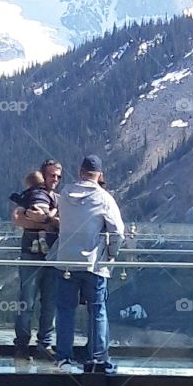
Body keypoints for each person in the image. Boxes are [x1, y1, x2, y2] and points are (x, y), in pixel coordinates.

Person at [54, 154, 125, 373]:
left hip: (65, 261)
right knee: (97, 310)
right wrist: (111, 253)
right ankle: (97, 358)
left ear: (80, 171)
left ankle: (63, 358)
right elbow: (118, 231)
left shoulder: (65, 194)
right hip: (93, 263)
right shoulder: (104, 198)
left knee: (65, 310)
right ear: (99, 175)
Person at [10, 159, 61, 361]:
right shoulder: (35, 198)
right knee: (26, 302)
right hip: (31, 256)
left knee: (50, 302)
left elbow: (64, 223)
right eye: (51, 175)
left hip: (52, 256)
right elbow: (17, 218)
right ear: (42, 175)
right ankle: (22, 345)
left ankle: (44, 344)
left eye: (58, 176)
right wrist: (49, 223)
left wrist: (42, 220)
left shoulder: (58, 199)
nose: (55, 179)